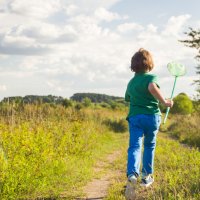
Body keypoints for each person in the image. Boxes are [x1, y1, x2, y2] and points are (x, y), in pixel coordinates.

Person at [124, 48, 173, 192]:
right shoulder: (151, 78)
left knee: (134, 146)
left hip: (135, 117)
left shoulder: (131, 82)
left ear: (134, 65)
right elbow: (152, 87)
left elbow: (127, 98)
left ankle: (132, 174)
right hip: (151, 116)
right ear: (149, 63)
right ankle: (146, 176)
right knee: (149, 145)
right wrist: (165, 101)